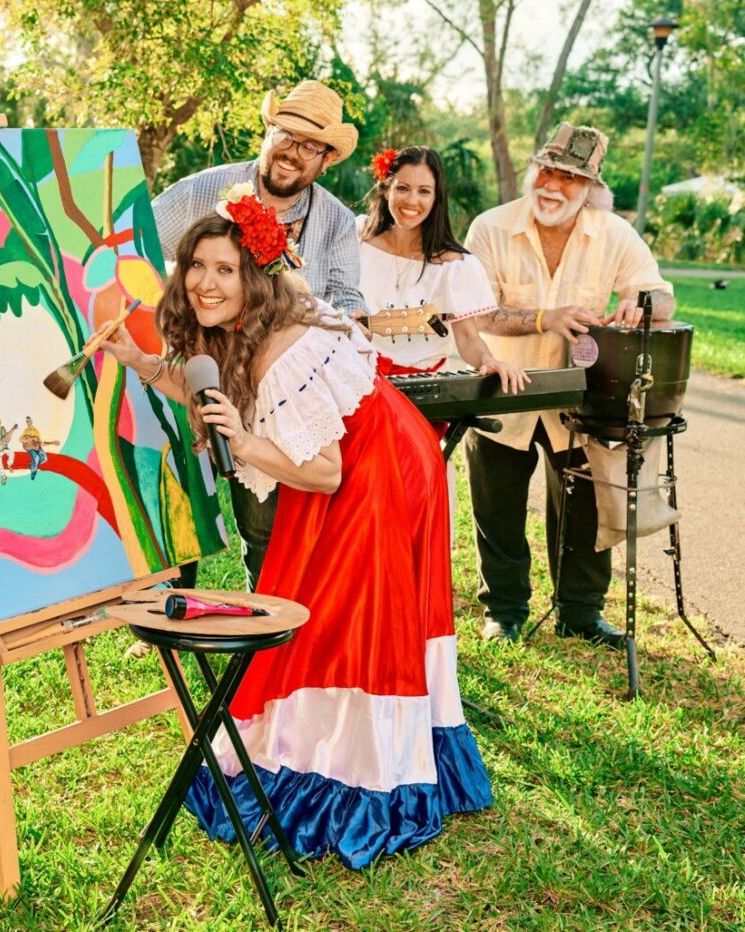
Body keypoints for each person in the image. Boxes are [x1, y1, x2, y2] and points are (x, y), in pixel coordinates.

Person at [102, 189, 492, 867]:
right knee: (319, 606)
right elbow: (208, 390)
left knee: (350, 617)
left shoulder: (285, 349)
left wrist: (242, 441)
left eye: (224, 269)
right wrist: (139, 362)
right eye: (196, 266)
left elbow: (323, 473)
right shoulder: (239, 328)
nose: (204, 282)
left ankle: (358, 768)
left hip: (377, 469)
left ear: (253, 278)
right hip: (357, 457)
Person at [464, 123, 675, 647]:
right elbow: (475, 313)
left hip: (581, 400)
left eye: (571, 178)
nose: (553, 186)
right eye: (548, 171)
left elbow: (662, 297)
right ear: (534, 170)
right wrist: (545, 318)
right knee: (497, 508)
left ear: (591, 189)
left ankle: (580, 612)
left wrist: (640, 304)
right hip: (500, 390)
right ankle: (504, 611)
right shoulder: (490, 227)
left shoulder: (614, 234)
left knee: (583, 510)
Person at [153, 80, 364, 591]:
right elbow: (136, 243)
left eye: (310, 146)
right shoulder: (203, 190)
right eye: (286, 135)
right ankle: (171, 609)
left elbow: (348, 301)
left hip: (276, 389)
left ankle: (266, 616)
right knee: (178, 503)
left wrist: (309, 338)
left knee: (262, 523)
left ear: (327, 159)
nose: (293, 152)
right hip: (198, 368)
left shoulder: (336, 220)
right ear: (267, 131)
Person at [359, 145, 528, 387]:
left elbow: (468, 338)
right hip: (352, 381)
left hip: (417, 389)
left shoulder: (455, 266)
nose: (412, 200)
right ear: (386, 190)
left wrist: (488, 360)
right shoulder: (357, 238)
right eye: (403, 188)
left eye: (424, 191)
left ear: (437, 198)